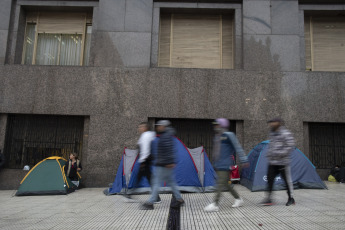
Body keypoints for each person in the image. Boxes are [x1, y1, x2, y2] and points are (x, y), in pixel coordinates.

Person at [204, 118, 249, 212]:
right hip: (218, 164)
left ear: (222, 125)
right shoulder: (217, 136)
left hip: (225, 164)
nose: (215, 127)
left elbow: (237, 147)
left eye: (217, 125)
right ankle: (238, 199)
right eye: (215, 125)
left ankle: (215, 204)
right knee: (226, 184)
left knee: (220, 183)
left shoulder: (229, 135)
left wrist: (244, 159)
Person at [140, 120, 184, 210]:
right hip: (165, 164)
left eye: (159, 125)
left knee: (156, 182)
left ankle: (150, 202)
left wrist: (168, 162)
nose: (157, 127)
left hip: (163, 164)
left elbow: (168, 150)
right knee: (171, 182)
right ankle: (179, 199)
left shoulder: (166, 136)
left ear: (164, 126)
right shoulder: (166, 135)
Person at [260, 117, 296, 206]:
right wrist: (269, 154)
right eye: (270, 122)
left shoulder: (285, 133)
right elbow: (272, 145)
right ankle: (269, 198)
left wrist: (279, 153)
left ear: (279, 123)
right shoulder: (272, 133)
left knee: (287, 180)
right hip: (272, 162)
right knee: (270, 179)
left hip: (283, 162)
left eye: (273, 122)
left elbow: (290, 146)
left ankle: (291, 198)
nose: (271, 124)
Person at [124, 122, 161, 203]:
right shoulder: (148, 135)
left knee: (143, 178)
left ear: (145, 128)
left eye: (141, 127)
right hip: (146, 161)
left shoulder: (145, 136)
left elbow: (145, 149)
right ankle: (156, 197)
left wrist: (143, 161)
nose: (139, 128)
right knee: (145, 178)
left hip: (145, 161)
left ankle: (130, 195)